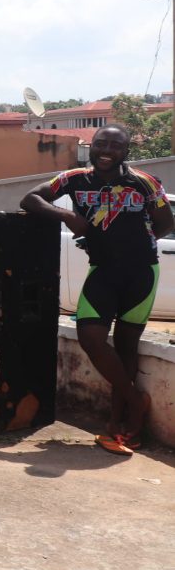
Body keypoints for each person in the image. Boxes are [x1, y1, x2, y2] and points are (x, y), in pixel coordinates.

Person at [21, 125, 173, 455]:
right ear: (92, 146)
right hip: (102, 272)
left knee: (126, 347)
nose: (107, 150)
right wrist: (65, 215)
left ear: (126, 150)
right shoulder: (74, 178)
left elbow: (165, 223)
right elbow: (29, 199)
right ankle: (137, 402)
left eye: (115, 145)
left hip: (141, 273)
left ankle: (117, 425)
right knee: (90, 336)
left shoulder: (143, 182)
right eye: (101, 143)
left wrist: (131, 244)